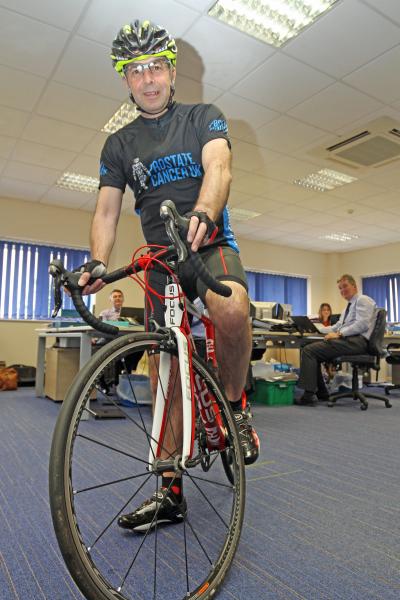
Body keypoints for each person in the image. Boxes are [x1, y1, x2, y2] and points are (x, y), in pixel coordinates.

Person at [77, 19, 259, 531]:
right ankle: (170, 491)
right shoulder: (118, 145)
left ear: (172, 72)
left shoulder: (204, 117)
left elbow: (219, 168)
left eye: (157, 66)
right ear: (125, 80)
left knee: (232, 308)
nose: (148, 78)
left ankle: (235, 401)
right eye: (136, 71)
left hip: (207, 243)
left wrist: (203, 211)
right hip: (158, 261)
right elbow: (107, 212)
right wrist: (96, 262)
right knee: (164, 381)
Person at [296, 274, 377, 406]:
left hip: (358, 342)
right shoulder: (349, 306)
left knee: (308, 351)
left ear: (354, 286)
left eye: (345, 286)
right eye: (340, 288)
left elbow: (363, 324)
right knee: (310, 348)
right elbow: (337, 326)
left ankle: (308, 395)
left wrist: (340, 334)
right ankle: (322, 393)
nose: (342, 290)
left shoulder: (363, 300)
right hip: (351, 341)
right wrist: (316, 328)